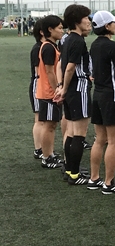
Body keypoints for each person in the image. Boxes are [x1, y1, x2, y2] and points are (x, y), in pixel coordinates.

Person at [88, 11, 115, 193]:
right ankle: (109, 183)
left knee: (99, 140)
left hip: (98, 94)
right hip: (113, 95)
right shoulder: (114, 46)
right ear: (106, 26)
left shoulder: (94, 45)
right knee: (113, 142)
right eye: (113, 22)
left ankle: (94, 178)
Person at [56, 4, 93, 185]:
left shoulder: (67, 39)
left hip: (71, 89)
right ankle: (75, 175)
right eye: (86, 18)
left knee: (71, 132)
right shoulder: (78, 41)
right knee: (79, 133)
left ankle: (70, 170)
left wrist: (62, 87)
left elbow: (61, 64)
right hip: (78, 88)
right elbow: (70, 67)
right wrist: (63, 88)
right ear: (77, 21)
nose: (88, 21)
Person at [36, 15, 65, 169]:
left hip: (49, 92)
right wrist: (57, 90)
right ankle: (46, 157)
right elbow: (49, 71)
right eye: (59, 28)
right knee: (49, 125)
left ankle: (50, 153)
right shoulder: (48, 47)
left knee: (52, 124)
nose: (62, 31)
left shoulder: (52, 46)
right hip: (48, 93)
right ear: (50, 29)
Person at [29, 20, 45, 160]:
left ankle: (43, 148)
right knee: (39, 119)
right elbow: (38, 71)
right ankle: (38, 149)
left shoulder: (45, 46)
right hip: (38, 83)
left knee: (44, 119)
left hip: (43, 84)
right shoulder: (38, 48)